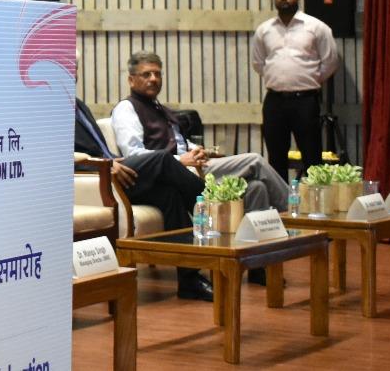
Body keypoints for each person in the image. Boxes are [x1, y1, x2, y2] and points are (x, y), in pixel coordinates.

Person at [111, 51, 291, 284]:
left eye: (157, 73)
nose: (154, 79)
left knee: (257, 188)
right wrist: (181, 160)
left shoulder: (159, 107)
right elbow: (134, 154)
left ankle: (257, 266)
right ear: (131, 79)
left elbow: (177, 143)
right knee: (255, 160)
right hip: (176, 172)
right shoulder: (127, 109)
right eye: (146, 74)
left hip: (194, 167)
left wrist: (196, 150)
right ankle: (298, 217)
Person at [74, 96, 212, 300]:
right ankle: (214, 208)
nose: (73, 72)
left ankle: (189, 279)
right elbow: (58, 154)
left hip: (114, 165)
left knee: (170, 196)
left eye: (75, 69)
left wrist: (112, 159)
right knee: (162, 159)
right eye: (69, 67)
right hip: (98, 175)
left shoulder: (77, 104)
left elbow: (99, 146)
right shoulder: (50, 109)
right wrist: (106, 163)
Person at [252, 0, 338, 180]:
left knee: (311, 156)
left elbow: (330, 61)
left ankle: (312, 204)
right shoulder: (264, 30)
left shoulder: (317, 27)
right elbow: (258, 63)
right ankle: (280, 206)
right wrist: (281, 78)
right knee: (276, 156)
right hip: (275, 101)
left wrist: (309, 80)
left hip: (305, 101)